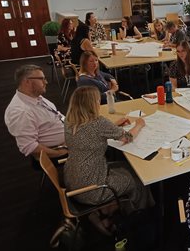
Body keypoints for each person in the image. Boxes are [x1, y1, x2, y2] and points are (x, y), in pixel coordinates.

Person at [63, 86, 154, 216]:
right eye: (97, 101)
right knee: (138, 180)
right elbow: (127, 137)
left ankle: (111, 210)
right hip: (91, 189)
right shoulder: (98, 122)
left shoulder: (69, 121)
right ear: (92, 104)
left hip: (73, 180)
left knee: (126, 167)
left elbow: (91, 134)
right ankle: (139, 214)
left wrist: (113, 125)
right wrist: (139, 124)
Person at [4, 65, 67, 159]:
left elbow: (56, 115)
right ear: (27, 82)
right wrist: (59, 153)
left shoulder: (35, 96)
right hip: (58, 150)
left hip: (70, 137)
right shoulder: (21, 112)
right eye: (41, 79)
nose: (46, 82)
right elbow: (29, 146)